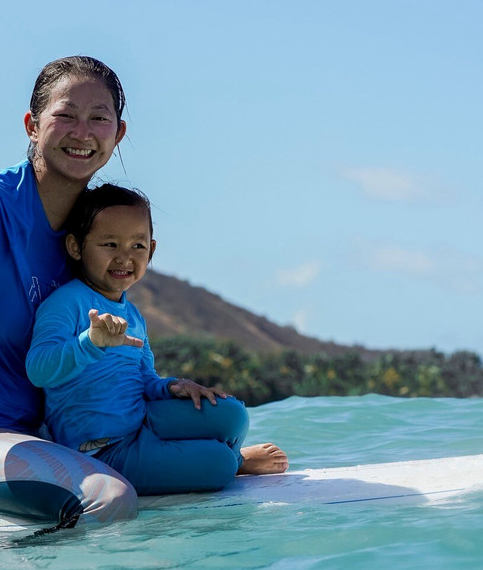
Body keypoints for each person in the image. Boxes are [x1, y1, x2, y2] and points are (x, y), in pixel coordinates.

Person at [0, 56, 271, 527]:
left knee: (224, 418)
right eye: (65, 115)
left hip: (45, 434)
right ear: (33, 125)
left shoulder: (93, 232)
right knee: (109, 497)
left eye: (100, 118)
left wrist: (168, 389)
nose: (83, 131)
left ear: (117, 134)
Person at [25, 184, 288, 495]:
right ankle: (234, 461)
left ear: (151, 249)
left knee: (232, 414)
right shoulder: (66, 303)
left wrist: (171, 386)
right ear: (76, 246)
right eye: (110, 244)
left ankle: (223, 458)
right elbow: (37, 369)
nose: (124, 257)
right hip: (101, 451)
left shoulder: (133, 314)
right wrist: (90, 343)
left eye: (137, 246)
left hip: (142, 422)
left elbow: (144, 379)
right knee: (216, 465)